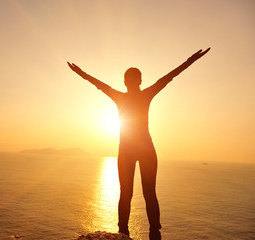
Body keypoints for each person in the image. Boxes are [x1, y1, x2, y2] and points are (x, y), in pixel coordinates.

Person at [67, 48, 210, 239]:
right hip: (146, 151)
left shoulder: (121, 96)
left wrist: (80, 72)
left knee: (127, 194)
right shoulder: (146, 94)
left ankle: (124, 232)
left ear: (125, 82)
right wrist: (191, 59)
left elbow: (99, 85)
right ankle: (152, 233)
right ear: (138, 81)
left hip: (128, 151)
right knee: (148, 193)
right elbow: (169, 77)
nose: (132, 83)